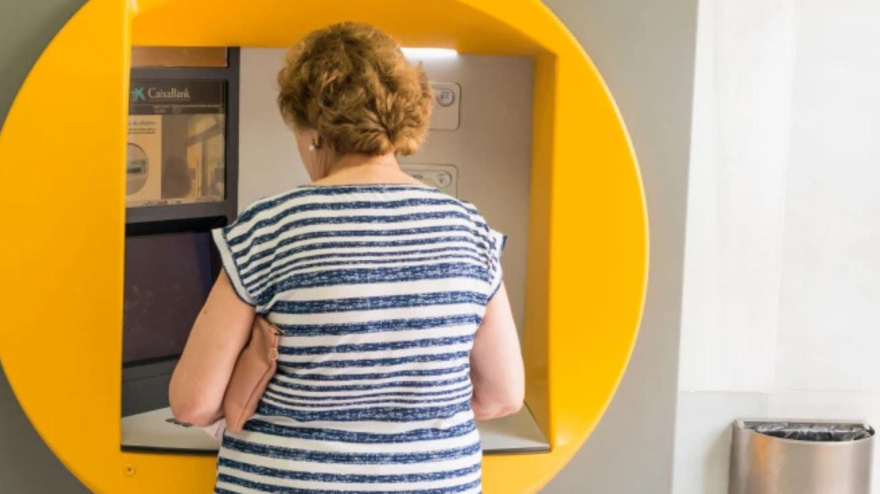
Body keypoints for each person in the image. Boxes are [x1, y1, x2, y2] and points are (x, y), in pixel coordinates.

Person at [169, 22, 524, 494]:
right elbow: (503, 397)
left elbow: (193, 404)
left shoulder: (269, 228)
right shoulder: (471, 232)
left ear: (314, 131)